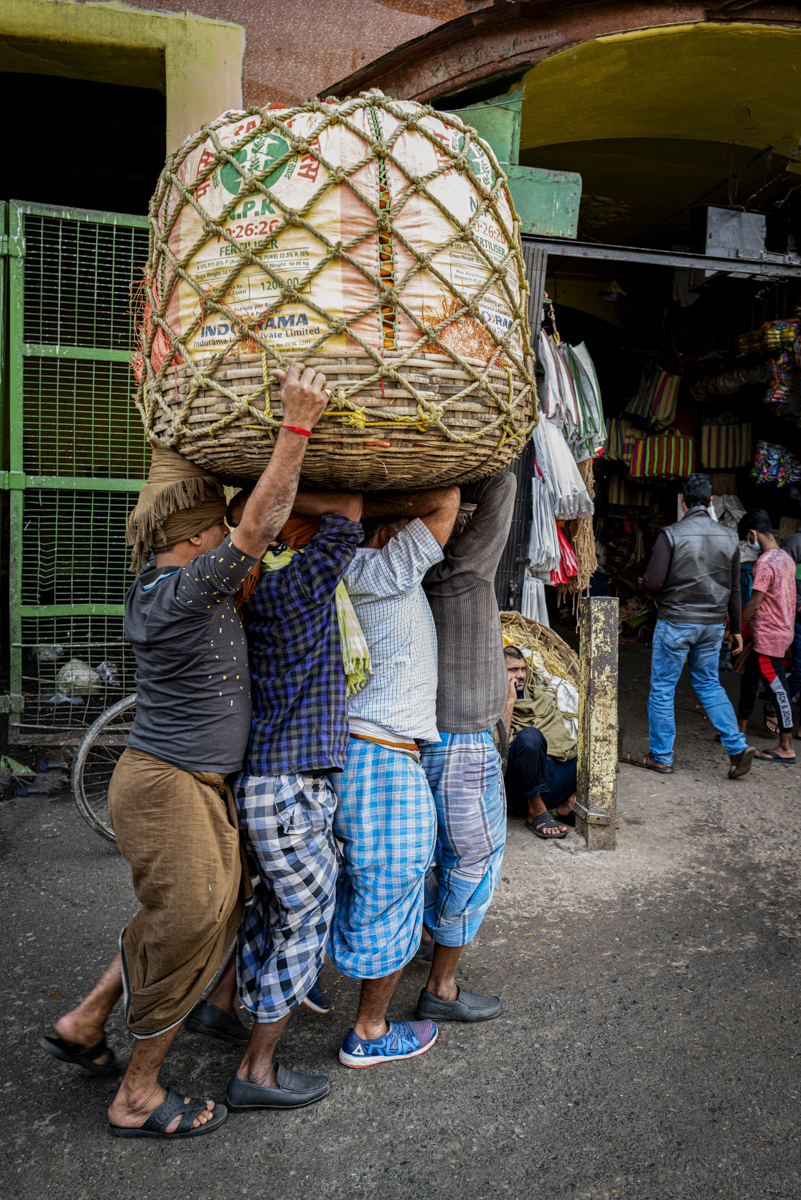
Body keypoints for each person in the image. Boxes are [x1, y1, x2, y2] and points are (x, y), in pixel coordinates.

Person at [40, 361, 329, 1138]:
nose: (228, 538)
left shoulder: (175, 585)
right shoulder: (178, 591)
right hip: (168, 786)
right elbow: (260, 526)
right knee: (190, 921)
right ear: (197, 537)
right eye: (216, 526)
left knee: (191, 914)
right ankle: (136, 1094)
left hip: (191, 786)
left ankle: (87, 1020)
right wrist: (296, 426)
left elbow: (254, 526)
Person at [221, 487, 363, 1111]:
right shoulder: (295, 586)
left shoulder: (253, 592)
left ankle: (234, 1011)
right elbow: (352, 512)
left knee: (272, 910)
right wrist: (273, 487)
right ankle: (256, 1070)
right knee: (306, 920)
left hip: (267, 788)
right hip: (288, 790)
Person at [330, 485, 461, 1067]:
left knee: (349, 885)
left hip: (354, 748)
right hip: (383, 755)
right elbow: (449, 497)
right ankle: (370, 1030)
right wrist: (372, 505)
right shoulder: (385, 569)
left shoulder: (338, 571)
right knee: (391, 885)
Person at [413, 473, 515, 1023]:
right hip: (463, 744)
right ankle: (442, 986)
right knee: (473, 860)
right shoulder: (464, 575)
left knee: (433, 856)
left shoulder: (410, 572)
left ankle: (427, 951)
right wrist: (471, 470)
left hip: (428, 739)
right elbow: (506, 481)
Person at [621, 471, 755, 780]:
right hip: (712, 625)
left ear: (683, 502)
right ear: (710, 501)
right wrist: (735, 629)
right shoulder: (730, 537)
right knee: (708, 684)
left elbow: (653, 582)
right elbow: (735, 590)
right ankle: (736, 746)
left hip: (676, 622)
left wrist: (643, 583)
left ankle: (662, 757)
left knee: (663, 689)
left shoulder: (672, 534)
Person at [737, 509, 797, 763]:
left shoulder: (764, 563)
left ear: (752, 534)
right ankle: (738, 733)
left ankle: (786, 746)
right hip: (782, 630)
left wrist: (736, 622)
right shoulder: (787, 558)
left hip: (769, 638)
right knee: (749, 680)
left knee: (779, 692)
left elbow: (755, 603)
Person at [502, 645, 578, 838]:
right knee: (529, 737)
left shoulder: (540, 698)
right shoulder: (491, 703)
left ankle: (566, 806)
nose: (520, 675)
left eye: (523, 669)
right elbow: (498, 748)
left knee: (599, 750)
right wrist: (509, 702)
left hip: (551, 780)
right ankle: (535, 810)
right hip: (518, 787)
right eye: (512, 670)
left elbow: (563, 744)